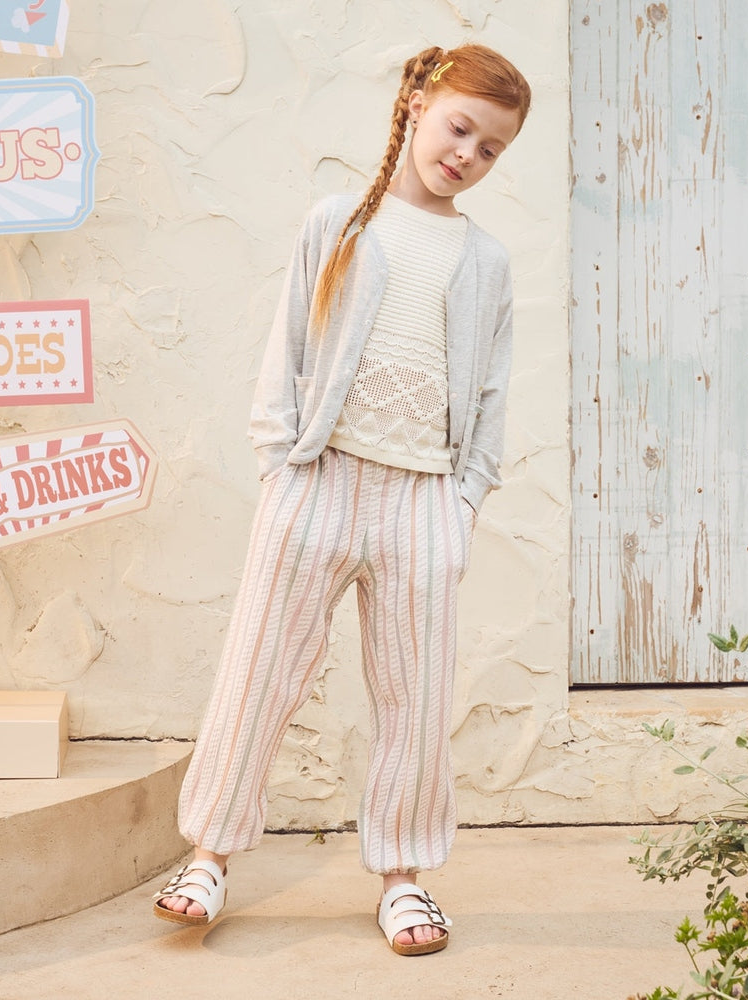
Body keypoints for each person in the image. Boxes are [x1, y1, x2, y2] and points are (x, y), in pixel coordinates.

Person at [151, 42, 532, 956]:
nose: (467, 156)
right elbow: (284, 349)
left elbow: (489, 397)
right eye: (459, 129)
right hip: (320, 483)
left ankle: (404, 878)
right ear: (416, 107)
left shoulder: (485, 261)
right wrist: (281, 468)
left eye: (490, 150)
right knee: (258, 674)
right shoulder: (339, 222)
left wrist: (463, 501)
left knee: (415, 695)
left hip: (422, 504)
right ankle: (209, 854)